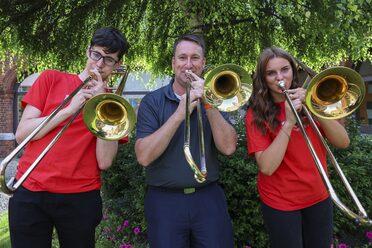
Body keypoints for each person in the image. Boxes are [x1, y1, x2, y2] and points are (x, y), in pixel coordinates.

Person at [8, 27, 130, 248]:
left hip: (80, 197)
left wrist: (102, 102)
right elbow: (22, 134)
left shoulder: (113, 105)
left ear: (117, 65)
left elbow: (105, 162)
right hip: (31, 191)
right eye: (97, 55)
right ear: (87, 51)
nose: (100, 64)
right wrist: (68, 110)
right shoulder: (51, 79)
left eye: (109, 60)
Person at [135, 33, 237, 248]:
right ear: (173, 62)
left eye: (195, 58)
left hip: (208, 199)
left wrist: (208, 103)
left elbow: (228, 148)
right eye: (182, 58)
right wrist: (180, 113)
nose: (188, 65)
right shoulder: (152, 101)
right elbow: (143, 157)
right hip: (165, 202)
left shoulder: (216, 98)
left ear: (204, 63)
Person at [245, 47, 350, 248]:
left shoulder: (313, 101)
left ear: (293, 71)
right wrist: (289, 122)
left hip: (319, 196)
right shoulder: (256, 113)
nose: (279, 77)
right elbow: (267, 167)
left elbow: (343, 142)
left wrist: (313, 107)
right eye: (271, 73)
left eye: (284, 69)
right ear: (263, 78)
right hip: (280, 203)